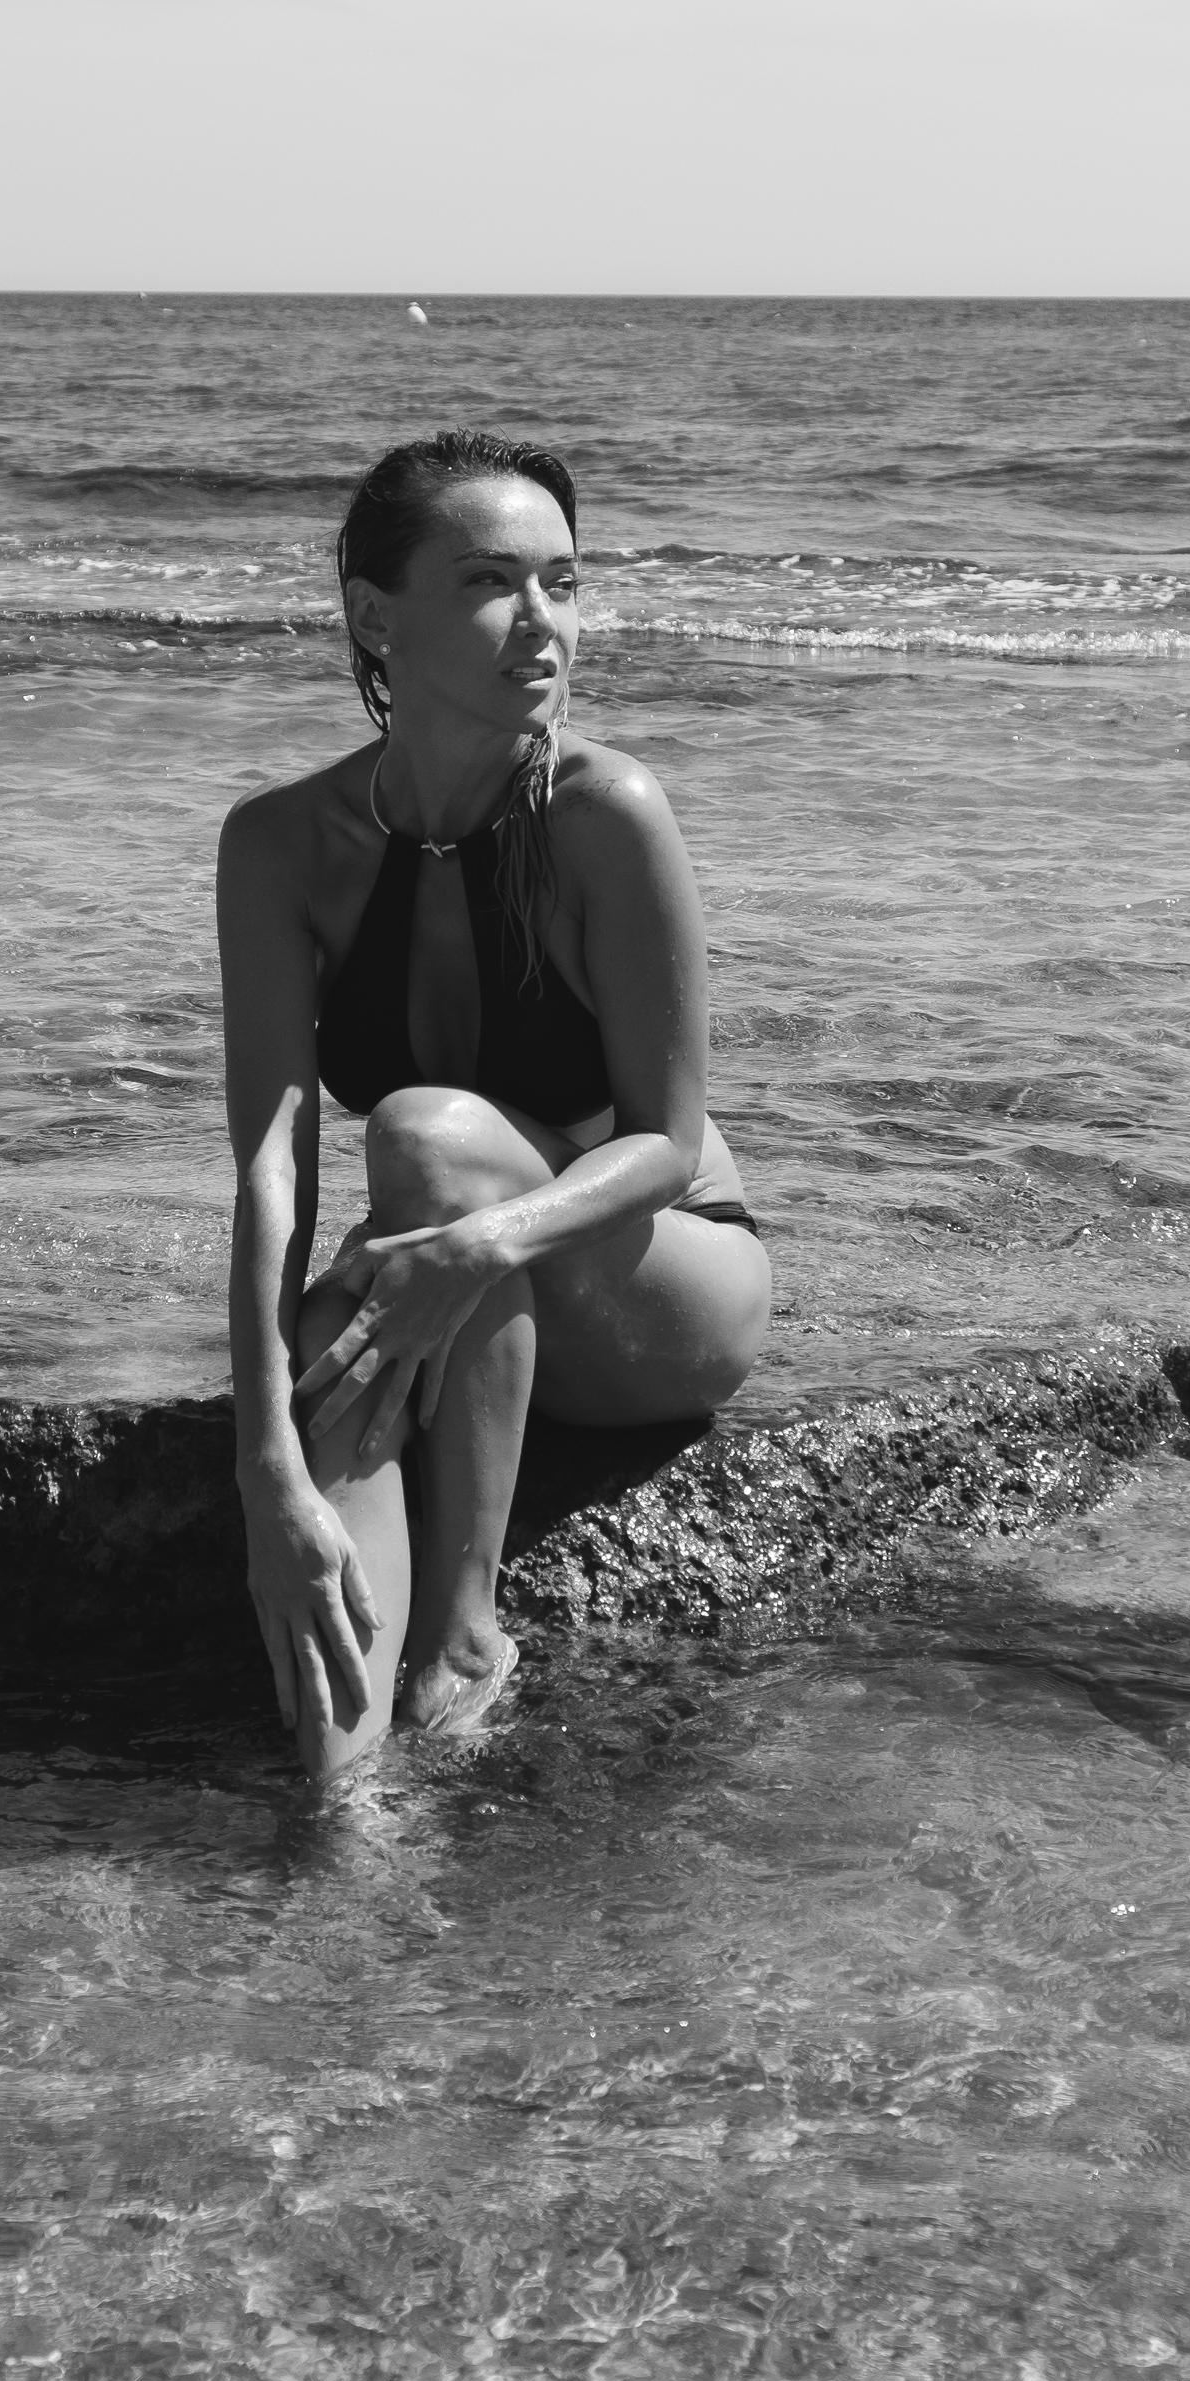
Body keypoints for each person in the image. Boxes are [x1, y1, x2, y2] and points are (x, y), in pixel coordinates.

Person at [217, 431, 772, 1780]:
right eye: (489, 582)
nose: (543, 622)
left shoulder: (606, 812)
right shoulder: (280, 845)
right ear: (375, 617)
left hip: (663, 1282)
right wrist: (265, 1466)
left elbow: (668, 1144)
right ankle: (346, 1815)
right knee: (335, 1337)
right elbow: (274, 1168)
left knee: (422, 1136)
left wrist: (479, 1244)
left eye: (562, 584)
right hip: (484, 1290)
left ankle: (466, 1635)